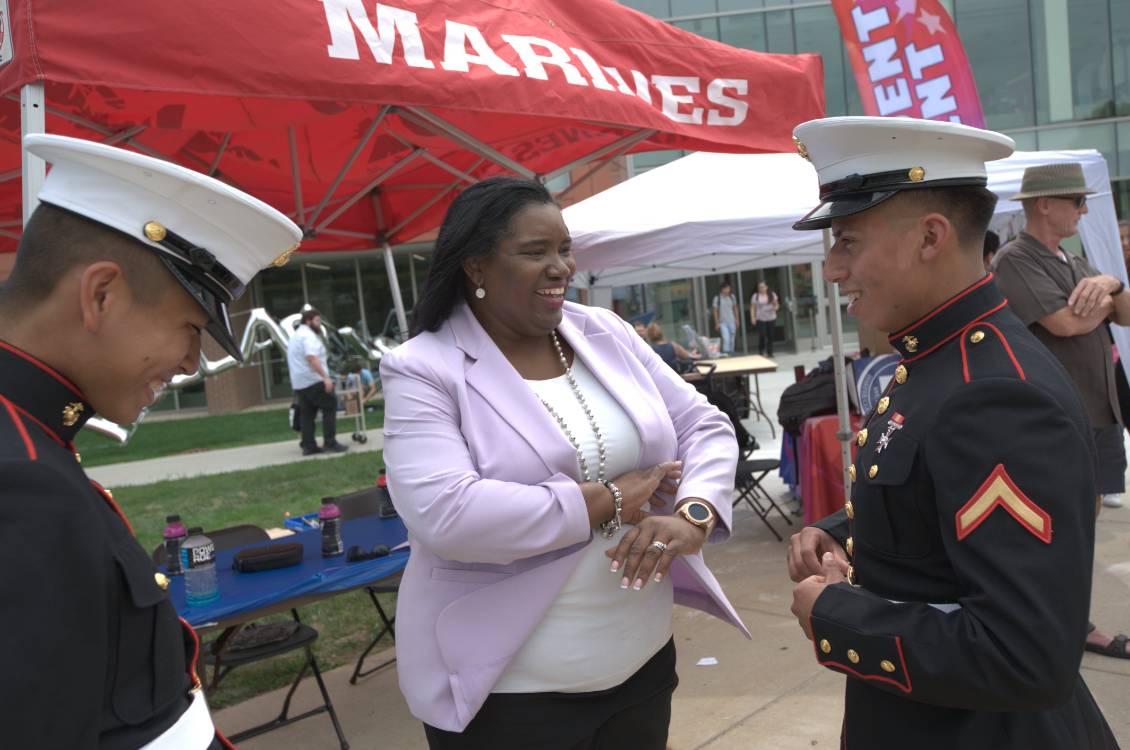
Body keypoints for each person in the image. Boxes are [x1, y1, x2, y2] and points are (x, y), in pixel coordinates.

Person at [786, 117, 1119, 748]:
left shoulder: (995, 393)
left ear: (931, 237)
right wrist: (840, 533)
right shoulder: (938, 357)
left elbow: (1025, 655)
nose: (833, 269)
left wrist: (835, 614)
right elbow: (937, 502)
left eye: (848, 241)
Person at [380, 176, 747, 749]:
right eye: (534, 252)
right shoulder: (423, 367)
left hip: (641, 663)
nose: (561, 267)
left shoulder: (603, 332)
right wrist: (610, 500)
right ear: (475, 267)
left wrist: (693, 514)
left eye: (564, 249)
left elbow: (705, 426)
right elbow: (446, 513)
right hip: (512, 693)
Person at [0, 134, 302, 748]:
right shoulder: (18, 480)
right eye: (189, 327)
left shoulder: (34, 440)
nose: (192, 363)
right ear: (101, 294)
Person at [991, 162, 1130, 660]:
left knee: (1082, 523)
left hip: (1095, 412)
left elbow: (1127, 311)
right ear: (1044, 204)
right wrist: (1105, 303)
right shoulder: (1015, 259)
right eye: (1077, 200)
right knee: (1053, 526)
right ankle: (1054, 624)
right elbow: (1066, 323)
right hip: (1056, 417)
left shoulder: (1074, 262)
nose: (1084, 209)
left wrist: (1111, 284)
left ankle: (1073, 622)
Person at [287, 307, 348, 456]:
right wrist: (326, 377)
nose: (319, 324)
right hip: (313, 380)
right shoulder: (308, 336)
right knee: (330, 405)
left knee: (307, 414)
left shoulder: (296, 336)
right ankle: (330, 442)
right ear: (308, 321)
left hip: (299, 383)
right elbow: (311, 357)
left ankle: (309, 446)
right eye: (317, 321)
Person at [749, 281, 779, 356]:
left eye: (763, 287)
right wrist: (752, 317)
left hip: (771, 317)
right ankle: (761, 350)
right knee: (762, 334)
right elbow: (752, 307)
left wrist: (776, 307)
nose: (761, 289)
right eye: (759, 287)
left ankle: (770, 352)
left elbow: (776, 304)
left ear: (766, 287)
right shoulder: (755, 296)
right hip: (760, 318)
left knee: (771, 335)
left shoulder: (772, 294)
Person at [711, 280, 739, 355]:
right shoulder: (717, 298)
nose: (728, 290)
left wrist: (737, 319)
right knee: (726, 339)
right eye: (726, 288)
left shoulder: (732, 297)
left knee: (732, 340)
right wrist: (717, 323)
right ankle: (726, 354)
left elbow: (735, 308)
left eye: (729, 288)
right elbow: (715, 311)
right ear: (722, 289)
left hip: (732, 321)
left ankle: (731, 353)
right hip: (722, 322)